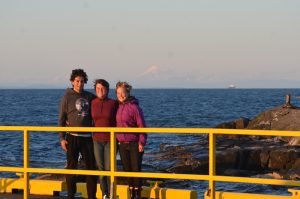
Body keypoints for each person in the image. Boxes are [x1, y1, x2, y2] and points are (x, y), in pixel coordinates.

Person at [58, 69, 97, 199]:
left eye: (82, 81)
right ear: (72, 81)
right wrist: (62, 138)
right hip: (72, 137)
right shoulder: (67, 97)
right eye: (77, 81)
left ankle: (92, 195)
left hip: (87, 138)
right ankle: (70, 195)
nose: (79, 84)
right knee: (71, 168)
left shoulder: (90, 97)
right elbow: (61, 119)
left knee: (91, 168)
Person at [115, 81, 147, 199]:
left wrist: (141, 142)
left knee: (135, 169)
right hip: (122, 144)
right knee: (127, 170)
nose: (120, 95)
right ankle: (131, 194)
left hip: (134, 143)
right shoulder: (118, 107)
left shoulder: (134, 107)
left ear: (128, 92)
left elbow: (142, 125)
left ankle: (137, 195)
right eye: (118, 93)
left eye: (122, 93)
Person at [91, 79, 118, 199]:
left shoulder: (113, 103)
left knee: (109, 168)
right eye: (97, 89)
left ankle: (111, 193)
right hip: (96, 139)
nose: (100, 91)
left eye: (102, 88)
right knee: (101, 168)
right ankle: (104, 194)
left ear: (107, 89)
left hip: (110, 140)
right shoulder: (92, 102)